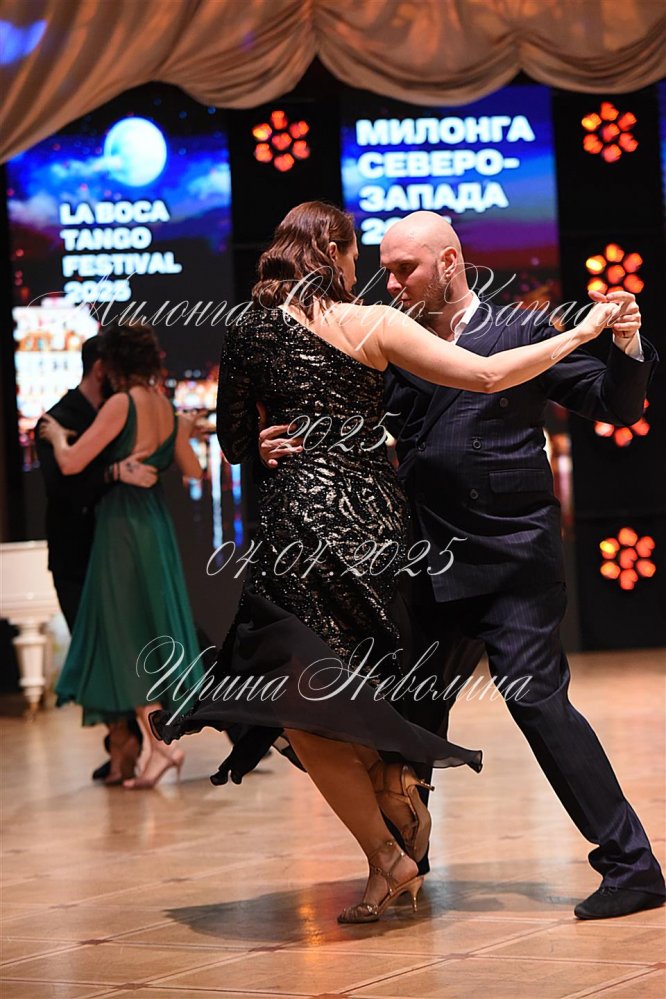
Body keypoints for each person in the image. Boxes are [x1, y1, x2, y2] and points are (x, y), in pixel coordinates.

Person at [148, 201, 621, 924]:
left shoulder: (250, 327)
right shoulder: (374, 325)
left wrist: (266, 444)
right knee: (360, 702)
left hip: (325, 537)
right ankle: (398, 843)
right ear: (335, 253)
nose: (378, 277)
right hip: (385, 540)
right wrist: (584, 330)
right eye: (366, 260)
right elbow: (472, 381)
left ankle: (402, 846)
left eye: (400, 267)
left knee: (320, 702)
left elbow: (237, 443)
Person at [373, 210, 663, 920]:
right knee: (408, 712)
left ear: (449, 263)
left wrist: (626, 343)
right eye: (385, 270)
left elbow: (615, 405)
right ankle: (404, 862)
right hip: (427, 558)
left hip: (510, 558)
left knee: (537, 700)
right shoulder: (397, 342)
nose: (392, 282)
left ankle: (633, 866)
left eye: (405, 268)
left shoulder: (522, 331)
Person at [40, 321, 205, 789]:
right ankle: (158, 747)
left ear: (112, 363)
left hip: (121, 528)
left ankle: (163, 746)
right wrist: (183, 432)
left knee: (126, 635)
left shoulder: (121, 403)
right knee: (145, 632)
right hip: (155, 525)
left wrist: (57, 436)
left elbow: (70, 462)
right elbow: (194, 472)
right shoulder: (163, 405)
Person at [36, 335, 157, 783]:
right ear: (102, 368)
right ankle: (122, 741)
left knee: (142, 642)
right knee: (95, 653)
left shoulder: (119, 409)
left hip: (116, 549)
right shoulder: (58, 418)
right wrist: (111, 472)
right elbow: (61, 486)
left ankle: (145, 742)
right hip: (75, 555)